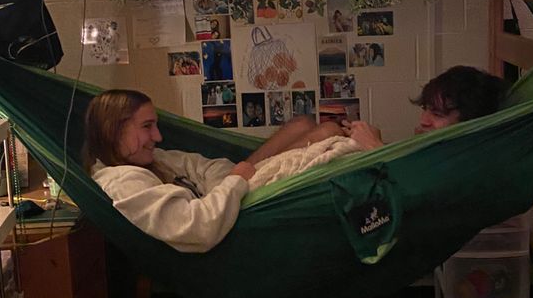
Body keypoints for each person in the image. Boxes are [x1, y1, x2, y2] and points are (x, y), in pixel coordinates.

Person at [84, 90, 345, 253]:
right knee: (330, 133)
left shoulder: (147, 160)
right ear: (114, 129)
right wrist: (231, 185)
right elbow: (198, 227)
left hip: (231, 194)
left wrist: (227, 184)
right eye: (147, 126)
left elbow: (208, 165)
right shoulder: (124, 183)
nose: (158, 136)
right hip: (237, 218)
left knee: (303, 124)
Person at [343, 65, 509, 149]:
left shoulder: (464, 168)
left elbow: (413, 189)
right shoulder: (436, 154)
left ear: (469, 124)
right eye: (425, 108)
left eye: (437, 114)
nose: (423, 120)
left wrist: (373, 147)